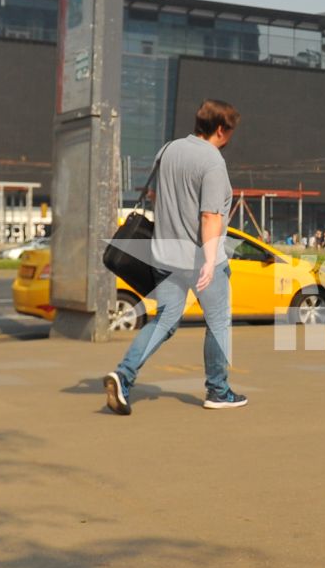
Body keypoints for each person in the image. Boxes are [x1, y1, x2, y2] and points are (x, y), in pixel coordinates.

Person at [104, 99, 247, 415]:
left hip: (164, 255)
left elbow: (159, 198)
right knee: (218, 321)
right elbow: (210, 216)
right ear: (221, 130)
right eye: (231, 131)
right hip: (199, 257)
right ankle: (218, 391)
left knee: (165, 321)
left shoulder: (167, 151)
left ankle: (123, 375)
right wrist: (210, 261)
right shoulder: (212, 162)